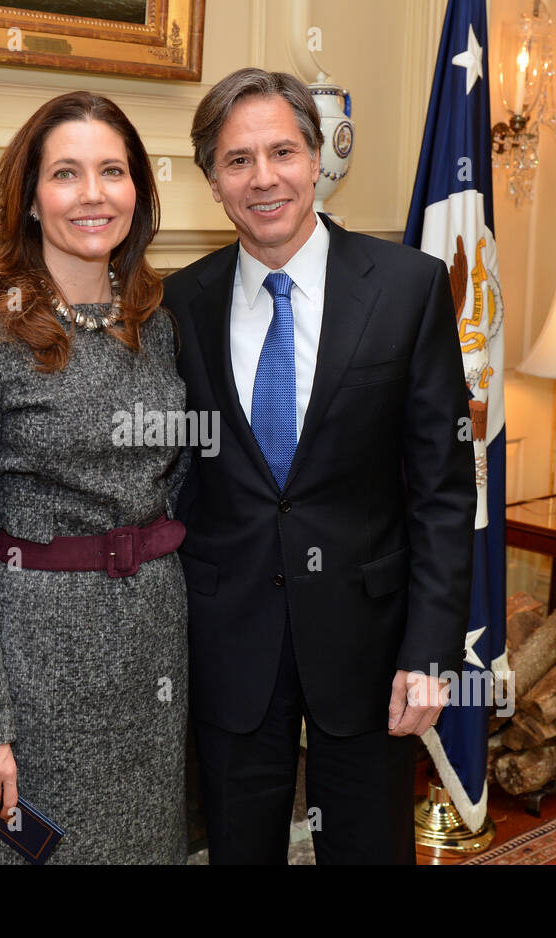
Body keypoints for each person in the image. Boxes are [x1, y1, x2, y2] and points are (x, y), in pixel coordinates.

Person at [162, 68, 476, 864]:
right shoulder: (178, 304)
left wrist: (432, 650)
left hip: (371, 644)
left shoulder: (408, 288)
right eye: (238, 161)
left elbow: (442, 489)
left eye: (282, 152)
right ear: (212, 181)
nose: (264, 179)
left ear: (317, 160)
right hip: (231, 640)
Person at [0, 91, 190, 864]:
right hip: (35, 669)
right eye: (66, 174)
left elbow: (164, 484)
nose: (93, 193)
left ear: (137, 192)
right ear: (31, 200)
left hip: (152, 652)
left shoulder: (154, 321)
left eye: (112, 171)